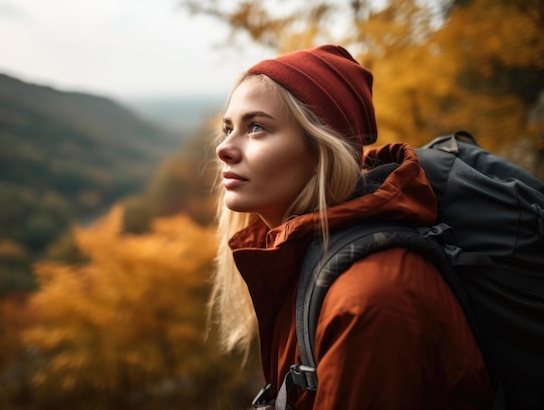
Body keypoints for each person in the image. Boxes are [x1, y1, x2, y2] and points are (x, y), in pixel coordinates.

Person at [209, 44, 494, 410]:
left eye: (257, 127)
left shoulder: (370, 298)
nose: (224, 149)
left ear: (321, 152)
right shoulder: (305, 258)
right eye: (228, 128)